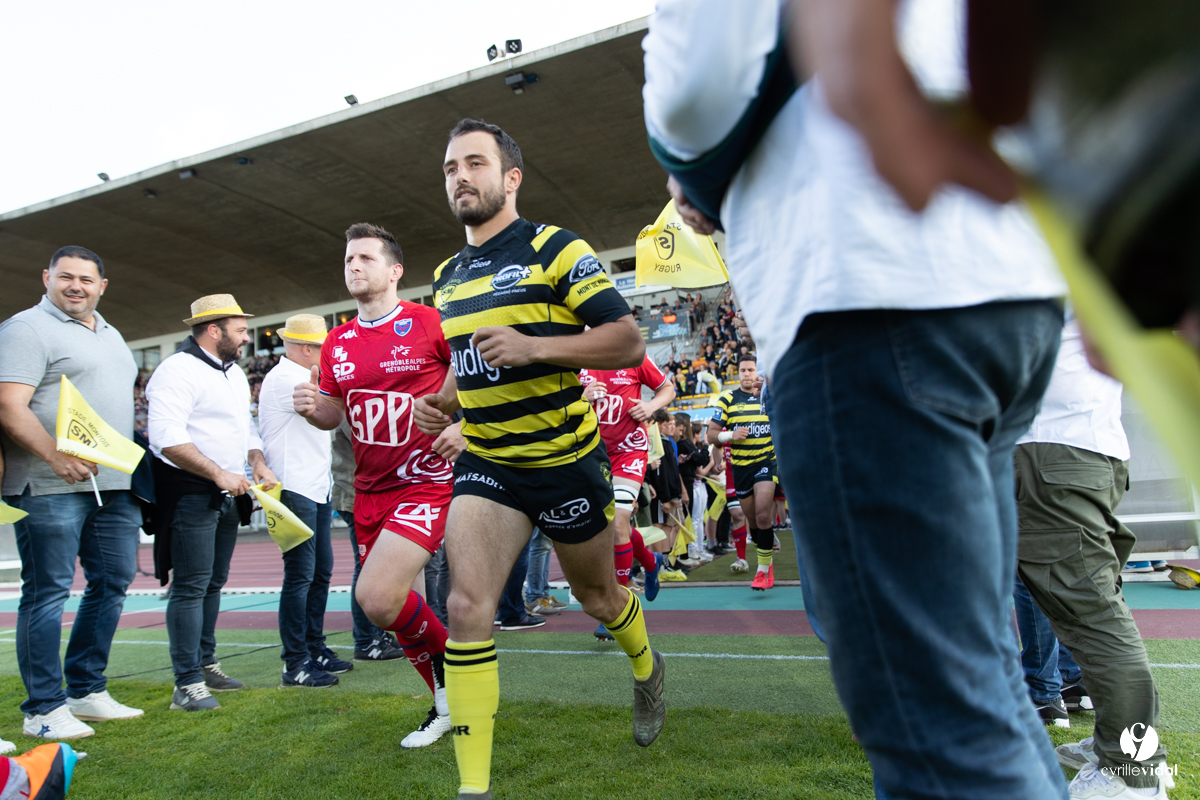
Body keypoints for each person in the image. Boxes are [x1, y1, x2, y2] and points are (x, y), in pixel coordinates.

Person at [644, 2, 1070, 797]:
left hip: (865, 283)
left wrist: (687, 169)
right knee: (983, 685)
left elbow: (697, 83)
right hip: (1003, 274)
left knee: (938, 724)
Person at [415, 118, 666, 799]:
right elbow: (467, 362)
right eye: (450, 168)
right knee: (467, 605)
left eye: (474, 163)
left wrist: (535, 347)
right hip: (489, 463)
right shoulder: (446, 277)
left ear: (511, 177)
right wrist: (444, 401)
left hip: (565, 460)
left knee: (598, 597)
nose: (460, 177)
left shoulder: (555, 247)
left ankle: (647, 669)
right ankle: (474, 788)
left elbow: (626, 340)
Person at [292, 222, 463, 749]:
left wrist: (464, 427)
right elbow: (333, 414)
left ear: (395, 272)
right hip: (369, 491)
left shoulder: (429, 322)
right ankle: (447, 705)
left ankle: (466, 677)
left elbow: (476, 376)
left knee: (376, 597)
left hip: (426, 482)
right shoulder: (337, 342)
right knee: (395, 612)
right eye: (349, 259)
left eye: (366, 257)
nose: (354, 266)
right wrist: (314, 409)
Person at [1017, 317, 1169, 796]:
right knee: (1089, 611)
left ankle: (1132, 772)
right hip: (1081, 446)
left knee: (1091, 615)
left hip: (1052, 448)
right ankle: (1119, 744)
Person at [0, 246, 143, 739]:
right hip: (47, 484)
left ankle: (85, 689)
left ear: (102, 286)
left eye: (86, 279)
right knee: (47, 593)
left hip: (112, 485)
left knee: (113, 581)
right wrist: (54, 456)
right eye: (66, 277)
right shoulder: (26, 328)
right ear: (47, 278)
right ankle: (43, 709)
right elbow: (9, 404)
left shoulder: (111, 333)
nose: (75, 286)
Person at [146, 294, 277, 711]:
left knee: (213, 583)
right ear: (214, 330)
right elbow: (165, 438)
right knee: (190, 586)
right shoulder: (176, 370)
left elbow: (246, 429)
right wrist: (219, 473)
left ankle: (205, 664)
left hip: (228, 494)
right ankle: (186, 683)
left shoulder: (233, 374)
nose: (247, 339)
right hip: (190, 494)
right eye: (241, 331)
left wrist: (257, 462)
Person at [258, 314, 350, 687]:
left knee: (319, 572)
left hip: (313, 486)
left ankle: (313, 648)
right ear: (307, 349)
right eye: (323, 348)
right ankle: (295, 662)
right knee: (301, 575)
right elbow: (331, 411)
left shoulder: (298, 377)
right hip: (294, 487)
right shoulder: (287, 379)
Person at [580, 351, 676, 639]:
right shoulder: (574, 355)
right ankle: (651, 562)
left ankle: (617, 610)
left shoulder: (631, 354)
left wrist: (651, 406)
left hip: (629, 452)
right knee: (609, 528)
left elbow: (667, 388)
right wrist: (582, 397)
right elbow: (555, 402)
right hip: (591, 454)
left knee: (618, 523)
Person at [330, 417, 404, 662]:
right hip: (357, 495)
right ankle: (365, 640)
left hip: (367, 494)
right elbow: (371, 441)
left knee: (375, 566)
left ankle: (376, 634)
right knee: (365, 567)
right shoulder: (346, 406)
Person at [706, 355, 776, 590]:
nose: (747, 374)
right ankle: (767, 561)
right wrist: (731, 435)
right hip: (741, 468)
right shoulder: (727, 399)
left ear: (758, 371)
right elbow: (711, 435)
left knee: (763, 514)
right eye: (743, 370)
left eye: (751, 369)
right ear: (738, 373)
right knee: (753, 520)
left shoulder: (768, 394)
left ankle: (762, 571)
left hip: (766, 462)